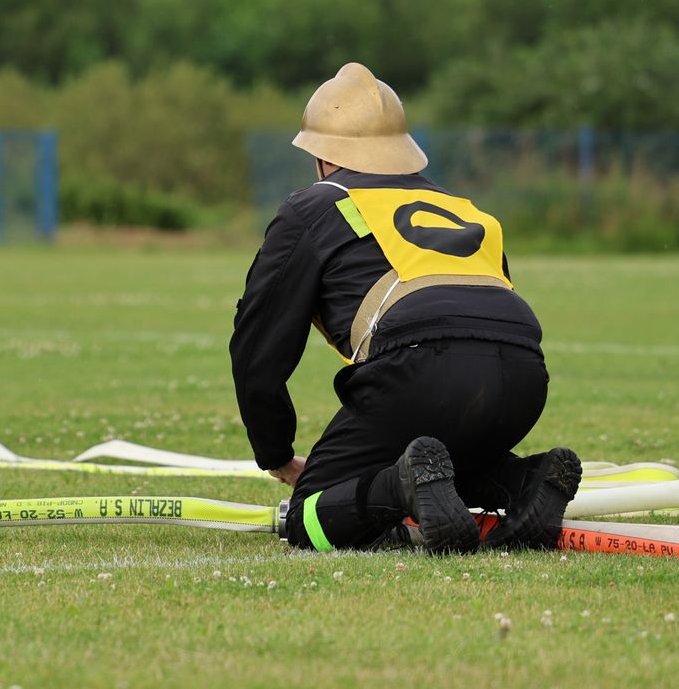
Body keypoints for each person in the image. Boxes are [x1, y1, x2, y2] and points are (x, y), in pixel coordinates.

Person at [228, 62, 579, 554]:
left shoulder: (314, 206)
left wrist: (278, 455)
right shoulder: (462, 205)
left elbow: (257, 349)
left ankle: (400, 488)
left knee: (308, 517)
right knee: (439, 461)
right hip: (524, 374)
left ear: (323, 157)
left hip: (420, 366)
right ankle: (526, 481)